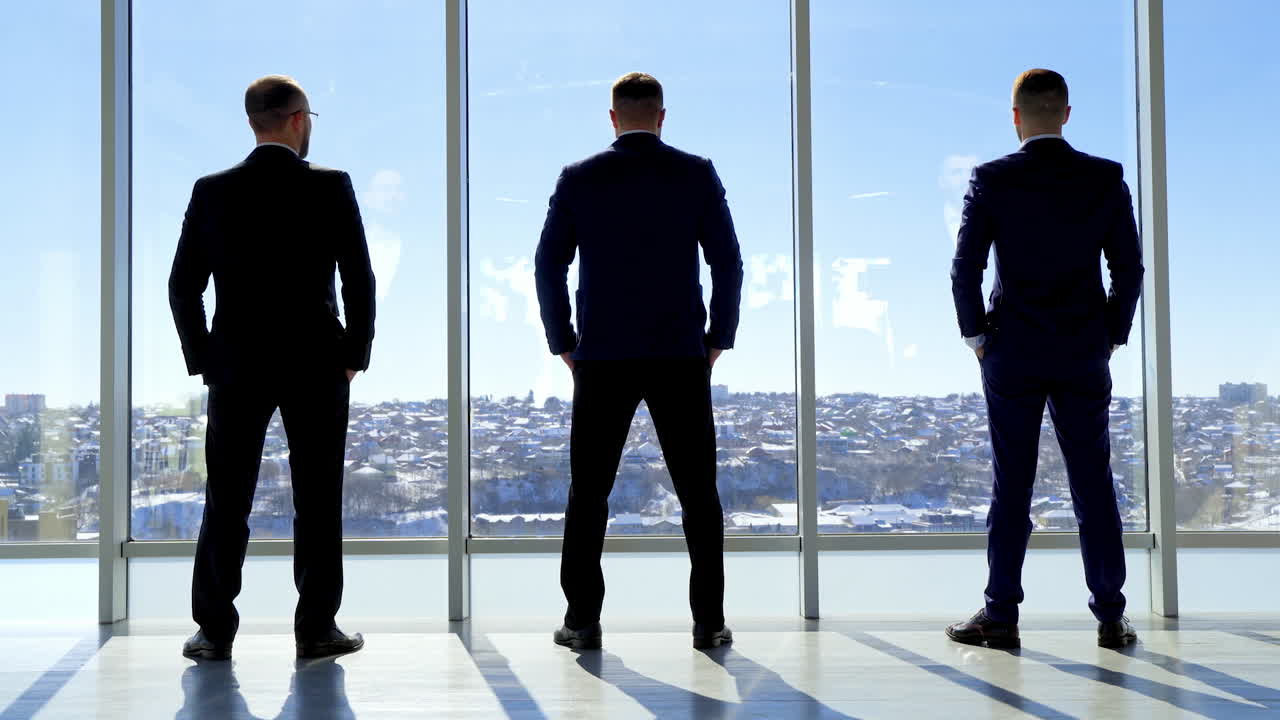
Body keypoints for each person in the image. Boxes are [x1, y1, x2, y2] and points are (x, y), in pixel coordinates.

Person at [534, 72, 744, 650]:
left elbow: (548, 264)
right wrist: (717, 338)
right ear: (661, 115)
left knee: (589, 493)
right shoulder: (695, 173)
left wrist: (564, 341)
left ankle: (581, 621)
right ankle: (709, 622)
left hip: (602, 354)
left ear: (612, 117)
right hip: (680, 352)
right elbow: (728, 263)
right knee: (699, 494)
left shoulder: (580, 177)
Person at [170, 74, 375, 661]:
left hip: (237, 366)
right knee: (318, 499)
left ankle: (213, 632)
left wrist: (207, 359)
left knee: (226, 499)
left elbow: (183, 287)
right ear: (296, 119)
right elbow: (358, 280)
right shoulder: (332, 186)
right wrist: (353, 358)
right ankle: (316, 629)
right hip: (317, 366)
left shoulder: (212, 191)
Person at [947, 69, 1144, 650]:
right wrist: (1111, 334)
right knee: (1093, 481)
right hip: (1082, 347)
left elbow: (966, 267)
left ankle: (1000, 613)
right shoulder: (1103, 178)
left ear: (1015, 117)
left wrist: (976, 338)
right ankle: (1110, 615)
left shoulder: (992, 179)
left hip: (1013, 349)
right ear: (1066, 113)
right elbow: (1128, 269)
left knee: (1013, 486)